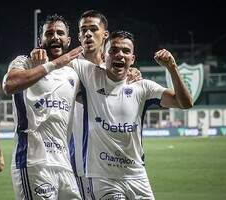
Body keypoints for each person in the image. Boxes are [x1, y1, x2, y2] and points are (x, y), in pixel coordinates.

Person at [66, 30, 193, 199]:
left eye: (126, 51)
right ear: (104, 56)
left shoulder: (143, 87)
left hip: (137, 175)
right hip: (103, 177)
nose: (120, 55)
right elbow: (60, 60)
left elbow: (184, 103)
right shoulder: (91, 75)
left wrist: (172, 67)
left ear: (132, 59)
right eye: (114, 50)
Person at [3, 14, 85, 199]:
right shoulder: (24, 62)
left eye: (60, 33)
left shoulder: (74, 73)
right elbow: (9, 84)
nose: (55, 37)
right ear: (40, 40)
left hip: (64, 164)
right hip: (34, 162)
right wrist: (53, 65)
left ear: (68, 40)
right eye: (49, 33)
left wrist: (131, 75)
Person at [70, 10, 142, 198]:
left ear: (105, 35)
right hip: (75, 158)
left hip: (109, 167)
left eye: (94, 29)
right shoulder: (70, 68)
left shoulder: (115, 70)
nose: (88, 34)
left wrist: (132, 75)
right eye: (83, 30)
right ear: (78, 36)